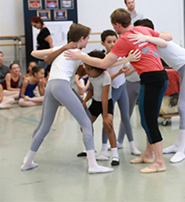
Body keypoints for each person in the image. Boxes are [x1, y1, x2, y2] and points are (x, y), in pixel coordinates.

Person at [64, 9, 169, 174]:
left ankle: (160, 162)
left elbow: (104, 64)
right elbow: (167, 37)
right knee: (147, 119)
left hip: (152, 80)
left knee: (149, 121)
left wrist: (81, 57)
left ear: (117, 25)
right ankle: (149, 155)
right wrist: (148, 37)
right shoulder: (141, 29)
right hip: (159, 78)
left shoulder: (124, 40)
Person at [21, 23, 113, 174]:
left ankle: (28, 161)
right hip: (61, 86)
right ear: (82, 39)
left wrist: (62, 48)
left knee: (45, 126)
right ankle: (93, 165)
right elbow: (102, 63)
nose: (88, 41)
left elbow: (34, 53)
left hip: (51, 86)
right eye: (88, 39)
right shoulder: (78, 53)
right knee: (86, 122)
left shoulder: (61, 49)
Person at [134, 19, 185, 163]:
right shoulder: (148, 43)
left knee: (183, 107)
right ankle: (177, 144)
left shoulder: (156, 39)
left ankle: (181, 150)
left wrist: (145, 37)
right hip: (182, 70)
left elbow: (167, 37)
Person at [100, 29, 141, 156]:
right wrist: (123, 66)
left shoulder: (122, 56)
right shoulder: (103, 59)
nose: (112, 44)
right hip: (111, 91)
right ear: (103, 43)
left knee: (126, 118)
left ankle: (132, 146)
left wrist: (131, 68)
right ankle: (103, 147)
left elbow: (125, 72)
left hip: (122, 88)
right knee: (107, 120)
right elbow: (108, 73)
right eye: (109, 42)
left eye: (114, 41)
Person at [82, 50, 120, 166]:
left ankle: (115, 155)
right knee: (85, 126)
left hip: (106, 104)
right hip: (95, 103)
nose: (87, 71)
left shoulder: (105, 77)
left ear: (98, 68)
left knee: (108, 127)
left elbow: (104, 97)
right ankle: (90, 150)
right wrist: (84, 101)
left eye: (89, 69)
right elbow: (92, 91)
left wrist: (105, 117)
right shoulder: (91, 76)